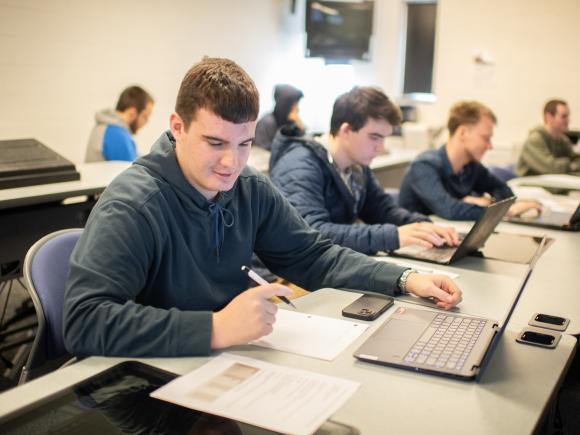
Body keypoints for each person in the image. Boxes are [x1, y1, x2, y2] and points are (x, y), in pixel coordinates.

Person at [63, 58, 462, 358]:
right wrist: (214, 328)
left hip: (225, 361)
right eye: (215, 143)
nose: (231, 163)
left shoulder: (249, 188)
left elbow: (314, 255)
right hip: (148, 380)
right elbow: (84, 321)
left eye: (244, 144)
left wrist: (406, 277)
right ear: (178, 127)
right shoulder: (133, 205)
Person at [268, 86, 459, 255]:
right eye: (375, 137)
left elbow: (383, 210)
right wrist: (393, 236)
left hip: (323, 267)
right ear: (346, 131)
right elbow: (313, 234)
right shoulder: (300, 164)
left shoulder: (357, 165)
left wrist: (422, 226)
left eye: (384, 138)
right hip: (281, 279)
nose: (381, 147)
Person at [399, 101, 541, 221]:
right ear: (462, 133)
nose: (490, 146)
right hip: (412, 245)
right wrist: (505, 212)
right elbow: (450, 210)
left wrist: (490, 203)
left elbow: (502, 190)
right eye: (485, 138)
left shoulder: (471, 167)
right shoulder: (424, 166)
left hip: (447, 235)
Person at [85, 85, 154, 162]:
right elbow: (132, 171)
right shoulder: (115, 134)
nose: (146, 122)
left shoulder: (109, 128)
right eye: (145, 116)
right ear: (132, 113)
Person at [515, 99, 580, 176]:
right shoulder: (535, 140)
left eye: (568, 116)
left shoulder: (563, 140)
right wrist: (570, 164)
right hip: (529, 182)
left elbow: (576, 159)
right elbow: (550, 167)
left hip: (550, 181)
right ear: (549, 117)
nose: (568, 120)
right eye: (564, 116)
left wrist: (569, 164)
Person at [254, 84, 304, 150]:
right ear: (285, 105)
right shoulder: (267, 123)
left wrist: (300, 127)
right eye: (294, 105)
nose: (297, 108)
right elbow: (260, 152)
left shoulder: (290, 123)